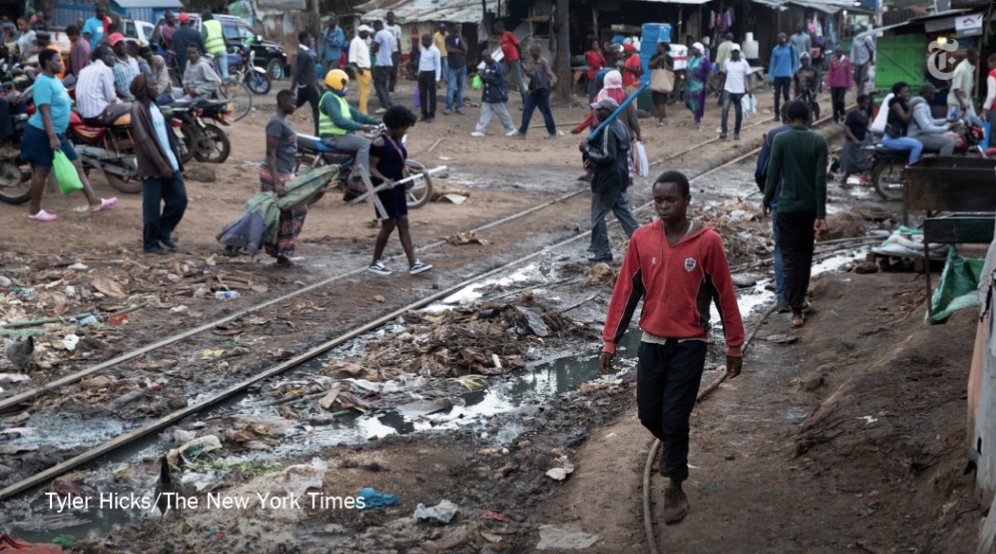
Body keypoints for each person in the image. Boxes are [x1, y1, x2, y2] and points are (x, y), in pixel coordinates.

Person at [599, 169, 744, 525]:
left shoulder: (707, 242)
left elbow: (725, 295)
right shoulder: (642, 239)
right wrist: (610, 341)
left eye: (671, 200)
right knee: (649, 413)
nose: (664, 206)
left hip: (690, 343)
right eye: (658, 200)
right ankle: (672, 444)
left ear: (686, 201)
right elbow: (626, 292)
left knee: (675, 417)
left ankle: (674, 484)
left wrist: (734, 346)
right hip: (651, 340)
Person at [22, 49, 117, 222]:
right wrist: (52, 137)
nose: (61, 64)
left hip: (57, 133)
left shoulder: (55, 81)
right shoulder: (43, 82)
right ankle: (34, 211)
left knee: (77, 165)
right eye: (57, 61)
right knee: (41, 171)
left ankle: (95, 202)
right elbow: (44, 112)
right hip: (42, 133)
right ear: (47, 63)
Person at [762, 100, 828, 328]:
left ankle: (796, 310)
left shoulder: (781, 139)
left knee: (789, 258)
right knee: (805, 256)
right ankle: (800, 300)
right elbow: (821, 180)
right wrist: (821, 213)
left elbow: (772, 173)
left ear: (788, 119)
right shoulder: (819, 140)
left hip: (786, 208)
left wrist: (767, 200)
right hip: (809, 209)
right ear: (809, 117)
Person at [367, 106, 432, 276]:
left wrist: (418, 171)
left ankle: (413, 263)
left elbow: (400, 163)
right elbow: (372, 168)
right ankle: (375, 262)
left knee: (403, 222)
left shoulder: (397, 140)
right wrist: (383, 179)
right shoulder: (379, 143)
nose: (405, 131)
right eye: (404, 128)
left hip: (397, 186)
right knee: (388, 225)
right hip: (384, 188)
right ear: (395, 125)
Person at [130, 74, 186, 255]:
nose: (156, 86)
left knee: (180, 200)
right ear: (143, 89)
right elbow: (145, 141)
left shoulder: (155, 105)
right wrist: (161, 165)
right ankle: (150, 243)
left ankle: (163, 231)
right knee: (151, 208)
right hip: (153, 166)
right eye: (152, 84)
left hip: (169, 161)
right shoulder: (137, 108)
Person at [581, 97, 639, 263]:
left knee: (598, 216)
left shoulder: (608, 129)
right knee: (624, 213)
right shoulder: (620, 126)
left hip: (607, 179)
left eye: (599, 110)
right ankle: (643, 243)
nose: (596, 113)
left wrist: (587, 150)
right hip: (620, 177)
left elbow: (607, 155)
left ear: (607, 112)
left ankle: (602, 251)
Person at [261, 89, 305, 267]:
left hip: (284, 172)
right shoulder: (275, 123)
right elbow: (271, 153)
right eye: (292, 103)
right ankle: (281, 253)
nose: (295, 106)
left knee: (291, 212)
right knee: (290, 213)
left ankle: (281, 251)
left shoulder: (283, 121)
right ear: (283, 103)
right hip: (276, 173)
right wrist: (277, 181)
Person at [756, 104, 791, 311]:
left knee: (780, 248)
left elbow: (762, 171)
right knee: (800, 250)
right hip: (805, 205)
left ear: (784, 116)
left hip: (780, 201)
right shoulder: (813, 137)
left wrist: (766, 197)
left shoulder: (773, 135)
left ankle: (781, 297)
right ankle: (798, 296)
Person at [318, 68, 379, 184]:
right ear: (337, 83)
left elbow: (356, 114)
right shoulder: (329, 98)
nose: (346, 88)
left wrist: (375, 121)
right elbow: (339, 121)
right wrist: (361, 127)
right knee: (365, 143)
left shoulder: (339, 98)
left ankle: (351, 185)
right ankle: (358, 176)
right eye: (344, 84)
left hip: (342, 135)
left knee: (369, 141)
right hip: (333, 136)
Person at [76, 45, 130, 126]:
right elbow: (112, 98)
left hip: (85, 117)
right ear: (103, 56)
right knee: (134, 106)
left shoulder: (83, 70)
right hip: (98, 115)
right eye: (111, 55)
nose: (114, 58)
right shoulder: (104, 69)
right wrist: (123, 102)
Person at [472, 50, 516, 137]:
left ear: (489, 56)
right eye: (483, 59)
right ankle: (480, 130)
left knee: (502, 113)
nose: (484, 60)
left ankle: (511, 129)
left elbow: (500, 81)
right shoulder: (486, 66)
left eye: (485, 58)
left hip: (497, 95)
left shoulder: (498, 66)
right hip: (487, 94)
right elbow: (486, 80)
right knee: (484, 113)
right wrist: (481, 77)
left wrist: (486, 77)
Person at [518, 43, 556, 139]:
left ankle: (552, 133)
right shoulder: (532, 61)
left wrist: (540, 78)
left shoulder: (544, 62)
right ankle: (522, 132)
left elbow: (549, 76)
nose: (530, 52)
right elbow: (532, 76)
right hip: (534, 92)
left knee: (546, 113)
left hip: (542, 93)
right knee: (527, 111)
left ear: (538, 51)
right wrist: (526, 70)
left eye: (532, 51)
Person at [909, 82, 956, 156]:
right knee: (949, 142)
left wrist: (947, 120)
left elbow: (931, 121)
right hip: (916, 136)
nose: (934, 95)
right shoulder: (920, 107)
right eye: (932, 93)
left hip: (922, 134)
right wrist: (947, 127)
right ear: (926, 93)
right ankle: (942, 166)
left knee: (948, 135)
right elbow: (926, 128)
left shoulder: (924, 104)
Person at [881, 82, 922, 165]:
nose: (908, 94)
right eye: (905, 92)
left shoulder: (902, 103)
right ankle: (912, 168)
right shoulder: (896, 104)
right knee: (918, 145)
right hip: (892, 139)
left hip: (895, 137)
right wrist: (912, 106)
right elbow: (905, 119)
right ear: (898, 94)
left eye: (908, 92)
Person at [839, 94, 873, 186]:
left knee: (867, 159)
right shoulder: (852, 114)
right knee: (852, 163)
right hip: (852, 142)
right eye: (865, 104)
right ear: (859, 103)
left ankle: (865, 176)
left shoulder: (864, 113)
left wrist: (869, 131)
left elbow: (864, 125)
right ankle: (844, 180)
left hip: (862, 141)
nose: (866, 106)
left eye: (868, 104)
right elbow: (846, 127)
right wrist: (854, 139)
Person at [290, 31, 320, 135]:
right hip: (308, 86)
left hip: (306, 86)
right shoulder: (303, 53)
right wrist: (291, 89)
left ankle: (278, 114)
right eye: (309, 37)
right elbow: (298, 71)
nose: (311, 39)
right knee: (317, 108)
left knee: (296, 104)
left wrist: (318, 84)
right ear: (303, 40)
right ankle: (318, 134)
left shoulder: (307, 52)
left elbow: (309, 70)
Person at [720, 44, 751, 140]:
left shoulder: (744, 63)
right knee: (725, 110)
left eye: (737, 52)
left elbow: (749, 75)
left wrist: (749, 88)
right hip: (728, 89)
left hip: (740, 91)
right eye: (733, 52)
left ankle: (736, 132)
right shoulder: (727, 62)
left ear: (739, 52)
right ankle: (724, 131)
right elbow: (724, 74)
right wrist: (721, 87)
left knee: (738, 112)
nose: (735, 53)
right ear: (731, 52)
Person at [768, 33, 798, 121]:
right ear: (777, 40)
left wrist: (794, 72)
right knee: (776, 96)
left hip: (787, 75)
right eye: (779, 38)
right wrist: (770, 76)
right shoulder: (775, 50)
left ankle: (787, 113)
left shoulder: (791, 48)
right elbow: (772, 63)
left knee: (786, 95)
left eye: (783, 38)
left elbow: (795, 61)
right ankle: (777, 114)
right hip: (777, 76)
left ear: (786, 39)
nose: (781, 40)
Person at [684, 42, 712, 130]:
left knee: (698, 104)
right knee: (687, 102)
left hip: (698, 86)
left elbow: (709, 72)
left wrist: (707, 84)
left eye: (694, 49)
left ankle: (698, 120)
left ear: (699, 50)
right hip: (689, 85)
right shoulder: (691, 59)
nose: (692, 50)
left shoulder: (704, 60)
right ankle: (695, 115)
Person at [950, 47, 982, 125]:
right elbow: (955, 89)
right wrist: (962, 104)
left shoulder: (971, 67)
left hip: (967, 100)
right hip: (958, 102)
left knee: (973, 123)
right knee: (958, 125)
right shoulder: (961, 69)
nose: (977, 60)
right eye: (976, 58)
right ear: (970, 57)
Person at [496, 21, 526, 102]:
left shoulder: (509, 34)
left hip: (514, 59)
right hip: (507, 59)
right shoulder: (500, 37)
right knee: (500, 75)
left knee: (518, 79)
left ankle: (525, 98)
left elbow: (517, 45)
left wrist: (521, 57)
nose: (495, 31)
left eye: (496, 29)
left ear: (500, 28)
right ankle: (502, 94)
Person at [349, 25, 374, 115]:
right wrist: (359, 69)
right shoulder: (355, 42)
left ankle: (363, 112)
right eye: (367, 33)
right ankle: (363, 113)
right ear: (363, 32)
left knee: (366, 93)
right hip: (362, 70)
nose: (368, 35)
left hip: (367, 69)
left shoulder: (362, 42)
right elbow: (352, 59)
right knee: (363, 93)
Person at [416, 34, 441, 123]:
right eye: (423, 41)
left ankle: (431, 115)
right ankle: (424, 114)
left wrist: (437, 79)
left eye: (426, 41)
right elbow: (421, 61)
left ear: (431, 41)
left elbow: (438, 66)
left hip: (431, 74)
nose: (424, 42)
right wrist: (419, 73)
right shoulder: (422, 49)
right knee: (422, 95)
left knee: (432, 95)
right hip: (422, 73)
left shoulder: (435, 51)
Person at [443, 23, 467, 115]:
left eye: (461, 28)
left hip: (462, 66)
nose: (459, 29)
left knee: (461, 88)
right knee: (450, 88)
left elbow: (466, 49)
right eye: (457, 27)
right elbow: (448, 49)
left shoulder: (464, 38)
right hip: (452, 67)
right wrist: (461, 51)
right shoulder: (448, 38)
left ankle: (459, 107)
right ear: (453, 28)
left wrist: (460, 37)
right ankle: (448, 107)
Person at [371, 21, 395, 114]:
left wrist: (372, 51)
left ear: (379, 25)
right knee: (384, 84)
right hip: (388, 62)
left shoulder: (379, 34)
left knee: (377, 84)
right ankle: (388, 103)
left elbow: (376, 47)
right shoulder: (389, 34)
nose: (374, 28)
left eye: (375, 26)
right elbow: (392, 48)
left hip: (381, 63)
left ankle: (384, 105)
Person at [109, 33, 139, 100]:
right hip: (124, 100)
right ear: (113, 48)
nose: (121, 47)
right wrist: (127, 97)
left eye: (122, 43)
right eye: (117, 45)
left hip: (138, 98)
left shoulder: (133, 60)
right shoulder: (112, 65)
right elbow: (113, 85)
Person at [649, 42, 672, 126]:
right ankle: (664, 117)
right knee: (656, 101)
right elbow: (650, 65)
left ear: (663, 48)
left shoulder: (669, 58)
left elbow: (671, 70)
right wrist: (658, 59)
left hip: (664, 82)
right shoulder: (655, 56)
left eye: (659, 47)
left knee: (661, 101)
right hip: (656, 81)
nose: (657, 48)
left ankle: (661, 120)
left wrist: (665, 62)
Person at [827, 45, 852, 123]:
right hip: (834, 85)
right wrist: (829, 84)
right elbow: (830, 73)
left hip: (842, 84)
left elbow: (849, 73)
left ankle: (842, 112)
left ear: (842, 52)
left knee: (840, 101)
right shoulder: (832, 61)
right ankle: (835, 117)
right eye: (837, 51)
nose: (838, 53)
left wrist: (849, 84)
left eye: (840, 51)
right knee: (834, 101)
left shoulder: (847, 60)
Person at [201, 11, 228, 80]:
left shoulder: (204, 24)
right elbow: (224, 36)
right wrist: (227, 45)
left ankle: (215, 82)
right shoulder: (218, 23)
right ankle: (226, 85)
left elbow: (202, 38)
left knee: (212, 69)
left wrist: (203, 49)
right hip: (222, 49)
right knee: (224, 70)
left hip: (211, 51)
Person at [794, 53, 820, 122]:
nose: (804, 62)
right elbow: (796, 83)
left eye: (806, 60)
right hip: (801, 92)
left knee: (813, 104)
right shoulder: (798, 71)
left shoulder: (814, 70)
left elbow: (817, 81)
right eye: (802, 60)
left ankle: (816, 114)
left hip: (811, 92)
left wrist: (815, 91)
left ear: (808, 60)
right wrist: (795, 94)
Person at [850, 29, 875, 98]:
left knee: (862, 77)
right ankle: (860, 88)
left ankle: (860, 93)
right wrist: (851, 61)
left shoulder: (866, 39)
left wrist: (868, 41)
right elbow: (853, 50)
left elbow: (873, 48)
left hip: (865, 60)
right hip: (857, 61)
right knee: (856, 77)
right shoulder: (855, 40)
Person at [584, 40, 607, 104]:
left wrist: (600, 55)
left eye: (597, 44)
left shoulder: (599, 53)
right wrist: (599, 56)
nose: (596, 46)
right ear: (591, 46)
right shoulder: (589, 54)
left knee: (599, 91)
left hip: (599, 75)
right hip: (593, 75)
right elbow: (595, 64)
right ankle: (592, 107)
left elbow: (604, 63)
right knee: (592, 92)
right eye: (594, 44)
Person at [386, 12, 402, 93]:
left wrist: (400, 53)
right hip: (385, 52)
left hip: (395, 51)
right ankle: (383, 89)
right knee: (385, 70)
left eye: (391, 16)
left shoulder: (397, 28)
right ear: (386, 18)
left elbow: (398, 40)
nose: (390, 18)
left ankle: (391, 89)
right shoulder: (384, 27)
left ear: (394, 17)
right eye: (388, 17)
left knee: (394, 71)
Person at [982, 54, 996, 137]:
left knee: (993, 137)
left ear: (994, 62)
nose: (988, 66)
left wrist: (984, 109)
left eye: (989, 63)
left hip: (994, 108)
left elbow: (991, 95)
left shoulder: (993, 73)